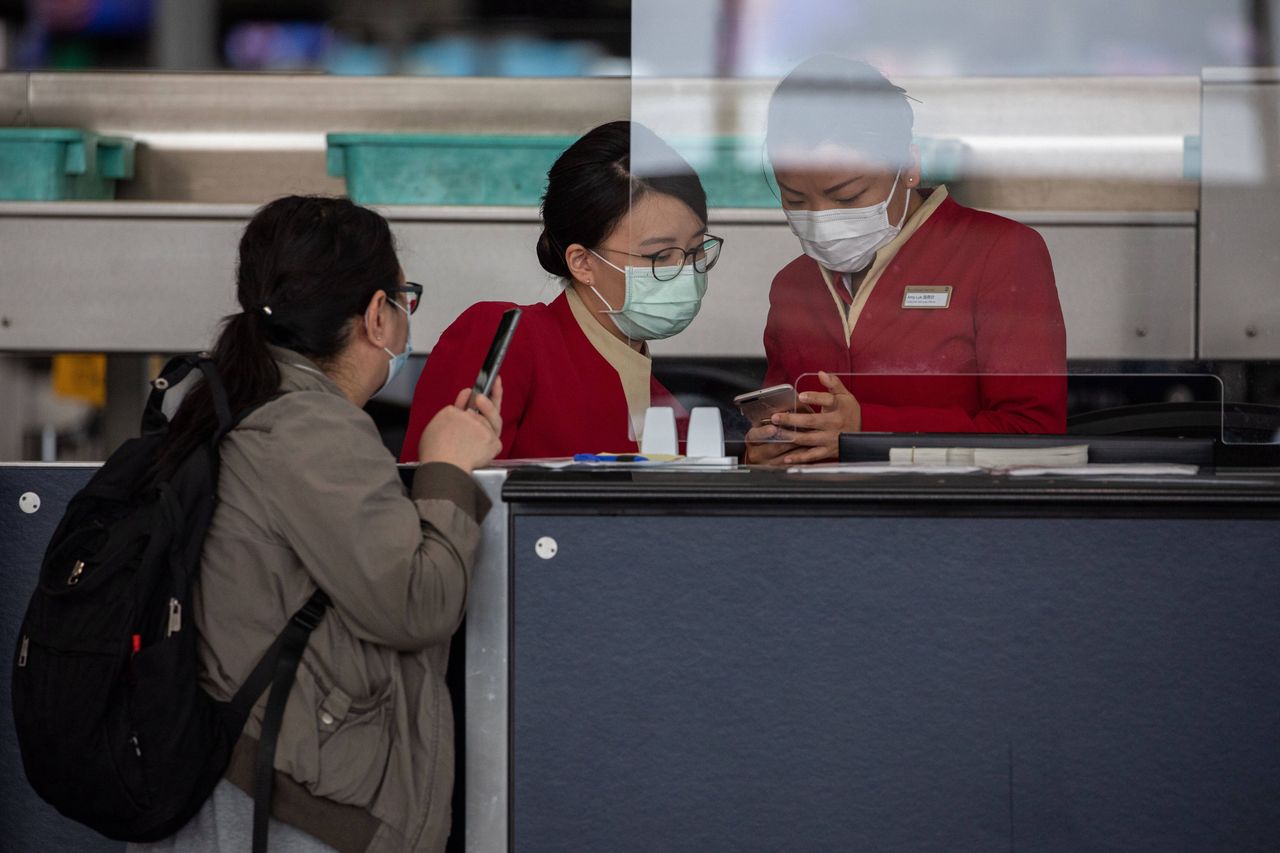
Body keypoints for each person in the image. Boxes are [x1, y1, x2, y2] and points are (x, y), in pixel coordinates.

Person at [131, 195, 502, 853]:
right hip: (285, 807)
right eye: (403, 298)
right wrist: (448, 466)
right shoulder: (311, 426)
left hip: (240, 786)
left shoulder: (233, 401)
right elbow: (415, 602)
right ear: (377, 316)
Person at [747, 55, 1067, 466]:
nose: (823, 216)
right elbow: (789, 429)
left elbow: (1034, 433)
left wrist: (869, 429)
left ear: (909, 167)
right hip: (822, 519)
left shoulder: (1000, 252)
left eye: (847, 196)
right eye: (795, 199)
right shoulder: (793, 285)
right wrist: (771, 446)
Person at [401, 121, 723, 461]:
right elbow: (439, 485)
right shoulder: (508, 338)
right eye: (661, 255)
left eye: (697, 249)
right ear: (582, 262)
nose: (686, 268)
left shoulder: (671, 413)